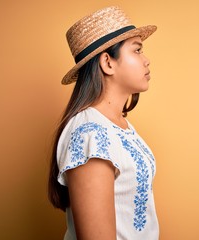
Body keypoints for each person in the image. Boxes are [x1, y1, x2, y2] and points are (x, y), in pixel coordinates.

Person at [47, 6, 159, 240]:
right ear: (107, 62)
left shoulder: (117, 126)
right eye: (137, 51)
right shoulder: (90, 133)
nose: (146, 60)